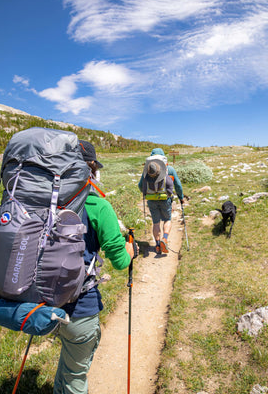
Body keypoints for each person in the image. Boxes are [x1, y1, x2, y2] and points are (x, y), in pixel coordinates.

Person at [54, 140, 135, 394]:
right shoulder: (98, 205)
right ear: (90, 170)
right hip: (79, 309)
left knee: (69, 366)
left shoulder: (47, 203)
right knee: (76, 376)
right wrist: (130, 251)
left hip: (41, 303)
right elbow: (120, 262)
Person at [138, 148, 184, 254]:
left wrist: (146, 194)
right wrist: (181, 197)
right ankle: (165, 238)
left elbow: (140, 186)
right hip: (165, 199)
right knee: (167, 219)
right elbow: (178, 185)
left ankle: (158, 245)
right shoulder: (170, 169)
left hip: (151, 200)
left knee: (156, 222)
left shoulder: (148, 170)